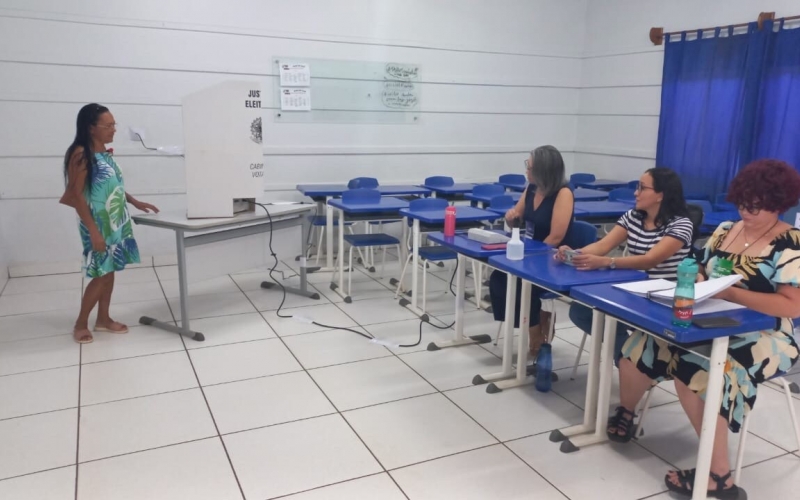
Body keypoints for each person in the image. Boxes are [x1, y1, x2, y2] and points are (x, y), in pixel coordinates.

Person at [608, 159, 800, 498]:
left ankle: (719, 476)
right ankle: (626, 411)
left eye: (756, 206)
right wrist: (697, 277)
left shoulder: (790, 243)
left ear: (778, 204)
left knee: (696, 368)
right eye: (743, 203)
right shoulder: (726, 230)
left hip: (766, 333)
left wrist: (730, 292)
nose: (746, 211)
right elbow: (699, 264)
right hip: (710, 319)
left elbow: (792, 306)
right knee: (641, 343)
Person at [559, 167, 694, 363]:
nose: (636, 193)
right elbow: (602, 245)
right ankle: (627, 356)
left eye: (642, 188)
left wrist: (609, 262)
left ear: (660, 195)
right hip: (633, 289)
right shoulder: (633, 216)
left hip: (664, 297)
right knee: (581, 311)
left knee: (608, 317)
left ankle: (630, 361)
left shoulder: (681, 224)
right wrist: (573, 254)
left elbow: (651, 260)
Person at [59, 103, 159, 344]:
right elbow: (77, 195)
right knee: (101, 273)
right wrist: (94, 232)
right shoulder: (81, 154)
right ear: (91, 128)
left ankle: (103, 319)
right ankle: (81, 323)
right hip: (97, 222)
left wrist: (134, 201)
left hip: (115, 220)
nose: (114, 129)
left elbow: (110, 185)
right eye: (108, 125)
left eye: (114, 124)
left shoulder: (103, 152)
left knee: (110, 269)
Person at [488, 145, 574, 358]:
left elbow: (556, 237)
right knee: (499, 278)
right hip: (529, 253)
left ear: (544, 170)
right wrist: (511, 218)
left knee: (520, 282)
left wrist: (531, 258)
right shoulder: (531, 189)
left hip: (551, 258)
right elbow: (517, 218)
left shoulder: (563, 194)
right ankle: (535, 322)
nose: (526, 170)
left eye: (530, 166)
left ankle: (534, 329)